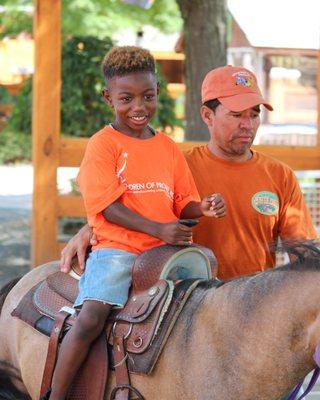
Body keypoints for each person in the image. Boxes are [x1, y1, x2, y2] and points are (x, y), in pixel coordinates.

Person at [48, 46, 226, 400]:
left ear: (158, 90)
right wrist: (159, 229)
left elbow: (182, 202)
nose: (138, 107)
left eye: (147, 96)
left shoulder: (168, 148)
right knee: (91, 317)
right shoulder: (103, 145)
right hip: (117, 251)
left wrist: (201, 208)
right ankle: (55, 393)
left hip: (166, 254)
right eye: (126, 98)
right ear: (108, 97)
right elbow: (108, 207)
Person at [60, 65, 317, 281]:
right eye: (236, 114)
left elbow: (305, 257)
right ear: (207, 115)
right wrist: (88, 230)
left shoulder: (280, 175)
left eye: (253, 115)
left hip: (255, 308)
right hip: (189, 305)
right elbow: (132, 206)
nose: (247, 125)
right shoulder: (175, 167)